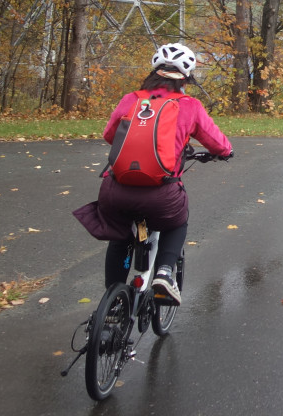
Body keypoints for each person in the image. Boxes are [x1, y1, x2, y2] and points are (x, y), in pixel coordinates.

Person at [92, 43, 232, 304]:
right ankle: (165, 274)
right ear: (186, 78)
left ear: (154, 71)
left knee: (121, 234)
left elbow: (109, 135)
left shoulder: (131, 99)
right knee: (177, 221)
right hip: (160, 194)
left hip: (115, 191)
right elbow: (217, 143)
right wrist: (225, 152)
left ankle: (112, 300)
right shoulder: (189, 105)